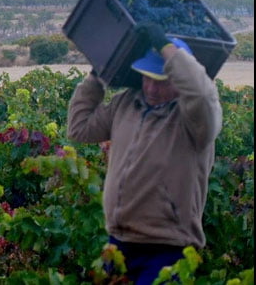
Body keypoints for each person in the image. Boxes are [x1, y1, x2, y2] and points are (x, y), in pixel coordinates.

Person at [67, 23, 222, 285]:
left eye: (160, 80)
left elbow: (202, 94)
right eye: (146, 77)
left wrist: (166, 47)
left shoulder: (196, 121)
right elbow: (79, 128)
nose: (150, 88)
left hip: (169, 248)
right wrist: (96, 76)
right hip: (119, 242)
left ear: (178, 79)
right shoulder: (126, 103)